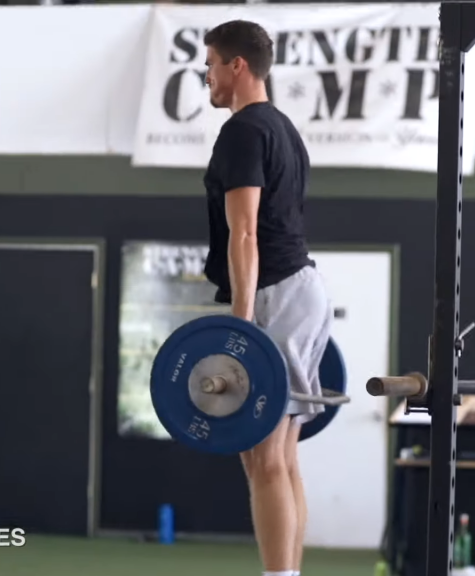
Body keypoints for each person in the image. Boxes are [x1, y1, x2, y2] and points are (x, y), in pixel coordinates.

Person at [201, 20, 334, 576]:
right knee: (279, 456)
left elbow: (246, 232)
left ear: (237, 66)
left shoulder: (244, 131)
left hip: (275, 293)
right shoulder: (282, 127)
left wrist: (240, 324)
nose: (205, 76)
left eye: (210, 64)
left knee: (261, 456)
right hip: (302, 290)